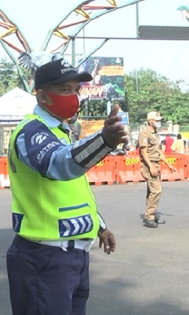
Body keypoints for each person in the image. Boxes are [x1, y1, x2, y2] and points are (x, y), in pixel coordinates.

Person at [7, 52, 124, 315]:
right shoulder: (31, 132)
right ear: (42, 96)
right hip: (44, 257)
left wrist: (100, 226)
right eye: (64, 89)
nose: (73, 97)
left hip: (73, 257)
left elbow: (72, 189)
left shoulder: (60, 132)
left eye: (75, 89)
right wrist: (103, 141)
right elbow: (59, 165)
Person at [139, 111, 177, 228]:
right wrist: (150, 166)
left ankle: (152, 214)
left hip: (156, 164)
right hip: (149, 165)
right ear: (150, 121)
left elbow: (158, 152)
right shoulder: (145, 134)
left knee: (151, 191)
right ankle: (149, 216)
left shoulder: (155, 133)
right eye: (157, 120)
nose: (159, 122)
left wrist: (168, 164)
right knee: (156, 191)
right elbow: (144, 152)